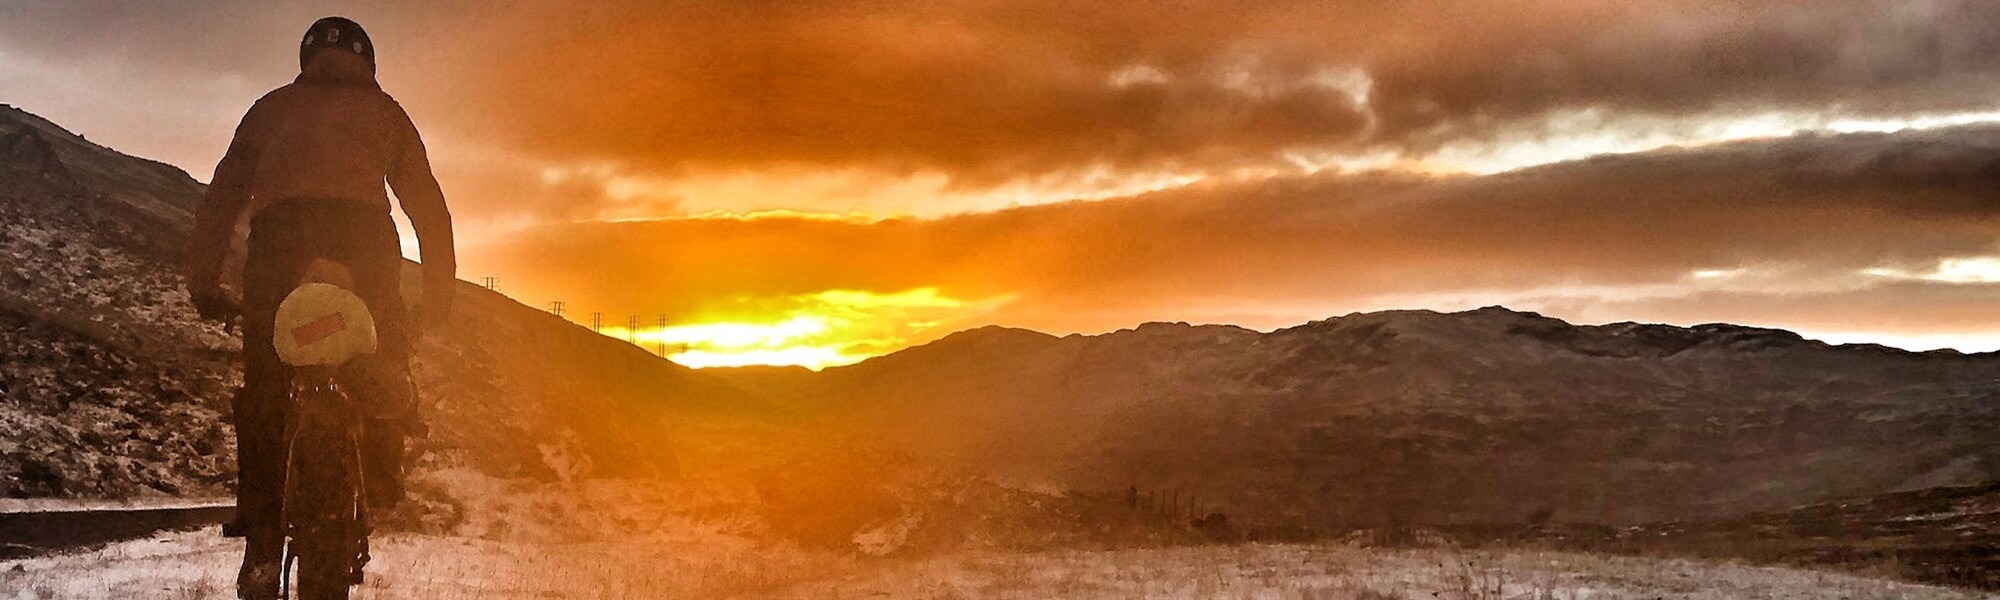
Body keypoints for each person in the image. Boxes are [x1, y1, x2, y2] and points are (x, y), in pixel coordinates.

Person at [183, 16, 454, 599]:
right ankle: (380, 479)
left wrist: (203, 283)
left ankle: (260, 541)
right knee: (382, 360)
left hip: (280, 248)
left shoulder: (268, 109)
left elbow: (223, 195)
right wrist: (437, 299)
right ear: (368, 62)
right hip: (364, 246)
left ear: (307, 59)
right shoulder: (387, 113)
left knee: (265, 384)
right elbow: (430, 210)